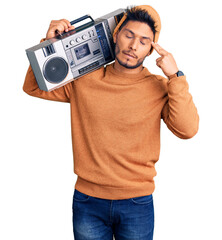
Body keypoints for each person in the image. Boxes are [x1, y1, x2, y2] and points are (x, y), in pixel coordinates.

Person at [23, 5, 199, 240]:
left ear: (150, 50)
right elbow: (33, 87)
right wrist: (49, 45)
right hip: (88, 201)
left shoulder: (159, 87)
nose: (133, 46)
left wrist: (176, 77)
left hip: (137, 203)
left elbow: (187, 130)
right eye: (129, 35)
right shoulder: (84, 79)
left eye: (144, 41)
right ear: (115, 35)